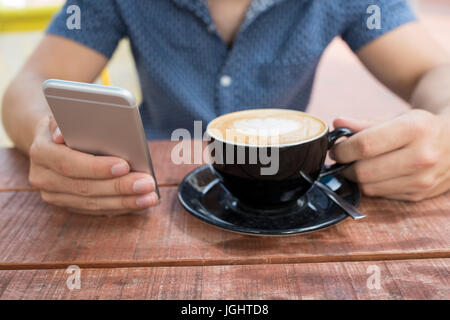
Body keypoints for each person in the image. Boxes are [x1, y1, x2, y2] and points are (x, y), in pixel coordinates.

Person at [2, 0, 449, 215]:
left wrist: (445, 133)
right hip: (143, 198)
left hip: (289, 202)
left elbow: (430, 71)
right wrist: (45, 134)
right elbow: (27, 86)